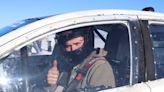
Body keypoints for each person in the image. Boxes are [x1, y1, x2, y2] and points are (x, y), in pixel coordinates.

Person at [47, 26, 115, 92]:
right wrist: (52, 84)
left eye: (77, 43)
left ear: (87, 41)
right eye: (68, 46)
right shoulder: (66, 66)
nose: (73, 49)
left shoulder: (99, 67)